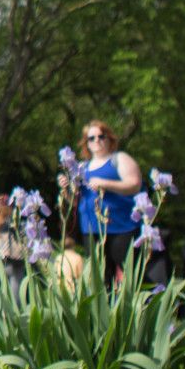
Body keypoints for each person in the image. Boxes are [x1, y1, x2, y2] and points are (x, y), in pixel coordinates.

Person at [78, 120, 148, 286]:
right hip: (91, 228)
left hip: (121, 226)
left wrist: (105, 183)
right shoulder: (81, 167)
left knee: (130, 273)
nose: (96, 141)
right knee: (99, 277)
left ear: (109, 138)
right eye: (91, 138)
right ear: (86, 143)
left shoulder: (120, 159)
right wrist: (66, 187)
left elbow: (135, 184)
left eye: (101, 136)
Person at [0, 193, 29, 300]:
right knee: (16, 299)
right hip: (16, 263)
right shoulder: (12, 223)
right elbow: (24, 240)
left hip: (1, 263)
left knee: (1, 297)